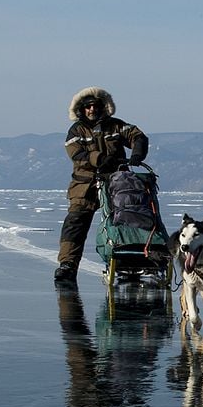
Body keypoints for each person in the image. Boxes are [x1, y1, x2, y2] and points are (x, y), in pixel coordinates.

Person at [55, 86, 149, 289]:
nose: (91, 110)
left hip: (116, 182)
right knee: (76, 222)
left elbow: (137, 136)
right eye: (87, 106)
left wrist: (137, 153)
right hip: (85, 185)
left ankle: (130, 261)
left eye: (95, 106)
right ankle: (67, 264)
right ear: (81, 109)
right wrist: (99, 159)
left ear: (103, 107)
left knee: (127, 218)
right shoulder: (76, 130)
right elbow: (77, 154)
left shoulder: (116, 126)